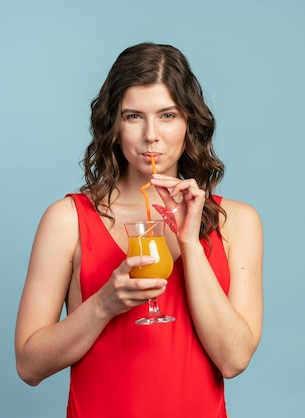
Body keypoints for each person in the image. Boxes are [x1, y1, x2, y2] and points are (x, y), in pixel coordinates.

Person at [14, 42, 263, 417]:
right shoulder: (67, 220)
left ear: (189, 123)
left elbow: (234, 359)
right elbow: (29, 366)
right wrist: (104, 304)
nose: (151, 135)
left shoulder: (237, 222)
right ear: (113, 126)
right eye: (134, 116)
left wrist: (189, 244)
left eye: (167, 115)